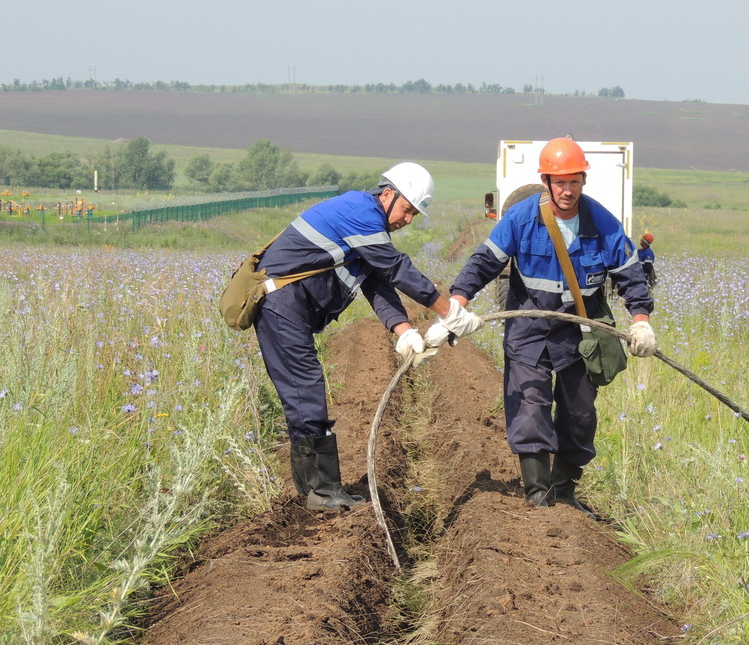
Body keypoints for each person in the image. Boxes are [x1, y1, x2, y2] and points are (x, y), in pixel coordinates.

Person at [433, 138, 656, 513]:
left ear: (583, 180)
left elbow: (631, 276)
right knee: (530, 405)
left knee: (580, 413)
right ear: (547, 182)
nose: (567, 191)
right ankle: (538, 493)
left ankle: (565, 491)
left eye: (573, 182)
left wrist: (641, 321)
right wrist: (458, 301)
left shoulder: (603, 223)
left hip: (580, 332)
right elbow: (483, 264)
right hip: (529, 328)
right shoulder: (520, 219)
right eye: (559, 182)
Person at [254, 162, 484, 512]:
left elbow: (377, 281)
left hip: (288, 307)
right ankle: (323, 492)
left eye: (414, 214)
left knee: (303, 393)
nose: (408, 220)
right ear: (388, 194)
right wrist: (446, 309)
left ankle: (313, 490)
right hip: (281, 305)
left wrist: (403, 329)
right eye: (407, 209)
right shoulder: (359, 212)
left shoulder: (365, 220)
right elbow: (395, 268)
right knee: (306, 390)